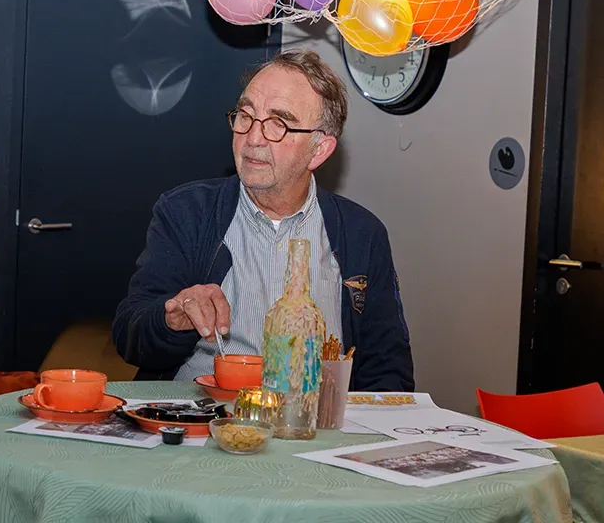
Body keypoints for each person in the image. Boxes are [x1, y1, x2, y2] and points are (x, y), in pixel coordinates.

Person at [112, 49, 414, 392]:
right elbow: (129, 335)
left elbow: (389, 371)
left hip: (311, 419)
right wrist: (171, 321)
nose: (253, 138)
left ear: (319, 150)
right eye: (246, 115)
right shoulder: (187, 212)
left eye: (278, 124)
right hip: (206, 414)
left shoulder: (362, 234)